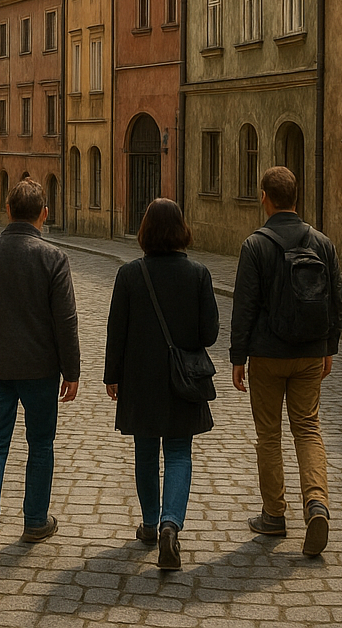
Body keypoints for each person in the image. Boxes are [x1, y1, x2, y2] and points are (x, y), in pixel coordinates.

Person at [0, 178, 80, 573]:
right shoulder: (53, 258)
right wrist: (71, 370)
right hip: (40, 369)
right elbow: (66, 321)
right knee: (40, 444)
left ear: (7, 211)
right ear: (44, 213)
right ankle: (35, 522)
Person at [230, 166, 342, 557]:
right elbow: (339, 304)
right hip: (311, 353)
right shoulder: (323, 243)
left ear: (264, 197)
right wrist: (329, 346)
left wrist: (237, 357)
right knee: (308, 428)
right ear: (297, 198)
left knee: (269, 434)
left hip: (266, 353)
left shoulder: (255, 245)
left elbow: (243, 307)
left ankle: (274, 515)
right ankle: (316, 503)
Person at [103, 198, 219, 571]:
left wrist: (112, 375)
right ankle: (172, 523)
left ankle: (151, 524)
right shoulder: (198, 274)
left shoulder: (130, 274)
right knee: (180, 452)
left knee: (145, 451)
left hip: (140, 378)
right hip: (182, 377)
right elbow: (210, 333)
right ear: (181, 230)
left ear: (145, 231)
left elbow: (115, 330)